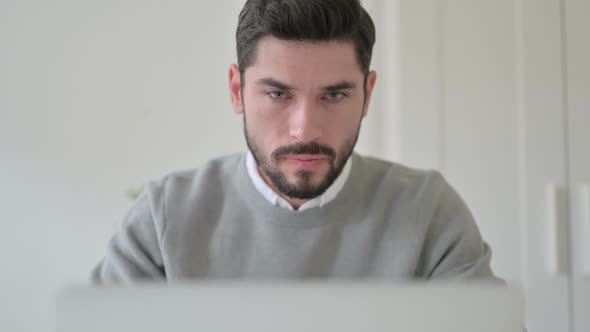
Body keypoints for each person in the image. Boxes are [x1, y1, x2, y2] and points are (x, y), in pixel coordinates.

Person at [91, 0, 500, 283]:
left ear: (367, 94)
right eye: (278, 94)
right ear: (237, 91)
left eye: (334, 95)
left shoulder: (429, 213)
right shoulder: (164, 218)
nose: (305, 130)